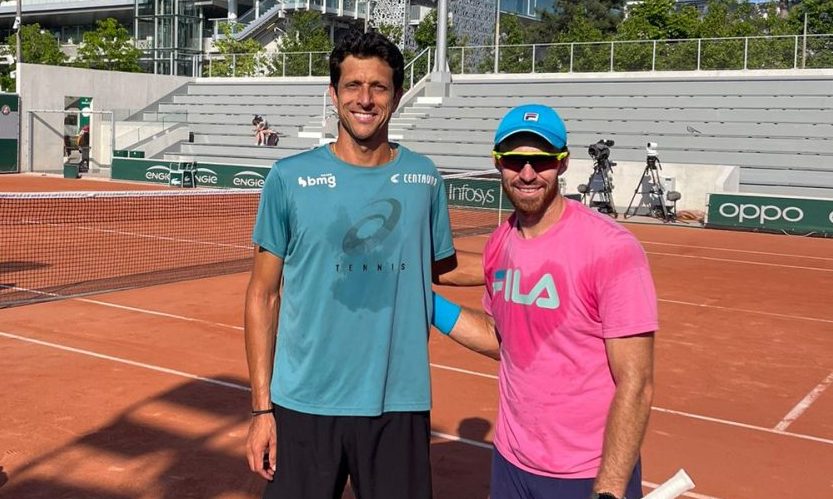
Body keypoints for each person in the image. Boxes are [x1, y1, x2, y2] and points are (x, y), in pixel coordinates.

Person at [244, 30, 482, 499]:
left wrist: (522, 263)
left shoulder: (424, 178)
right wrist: (260, 410)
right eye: (353, 85)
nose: (365, 99)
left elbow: (437, 263)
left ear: (395, 96)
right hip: (304, 405)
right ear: (333, 95)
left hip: (397, 405)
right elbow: (263, 294)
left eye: (379, 87)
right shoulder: (287, 179)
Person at [433, 103, 657, 499]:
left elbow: (635, 383)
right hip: (511, 462)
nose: (527, 173)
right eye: (515, 160)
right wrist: (427, 303)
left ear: (563, 163)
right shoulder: (502, 240)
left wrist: (608, 489)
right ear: (498, 163)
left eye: (542, 160)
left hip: (585, 475)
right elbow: (502, 339)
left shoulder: (612, 249)